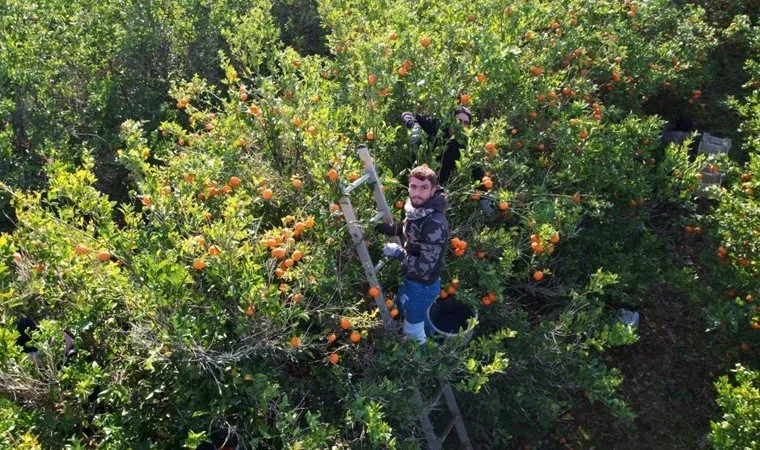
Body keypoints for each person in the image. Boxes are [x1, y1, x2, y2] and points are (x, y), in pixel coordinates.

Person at [375, 165, 448, 344]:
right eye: (413, 187)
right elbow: (408, 229)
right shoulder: (417, 211)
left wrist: (398, 253)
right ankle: (438, 342)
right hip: (416, 282)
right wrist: (380, 227)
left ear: (433, 189)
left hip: (422, 285)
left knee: (412, 330)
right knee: (420, 316)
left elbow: (424, 268)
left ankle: (422, 363)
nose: (417, 192)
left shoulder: (435, 223)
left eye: (423, 188)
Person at [401, 107, 493, 215]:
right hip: (417, 178)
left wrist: (485, 200)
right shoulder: (438, 127)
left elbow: (477, 171)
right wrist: (411, 122)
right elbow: (409, 113)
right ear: (451, 120)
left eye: (465, 123)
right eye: (458, 121)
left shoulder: (464, 144)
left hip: (437, 188)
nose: (461, 125)